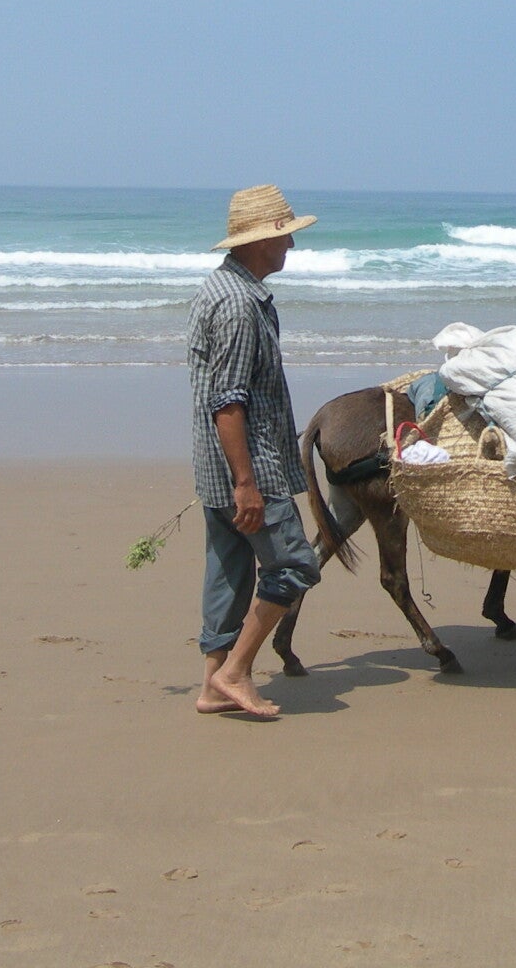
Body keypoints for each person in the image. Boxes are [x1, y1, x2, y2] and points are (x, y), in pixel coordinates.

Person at [187, 185, 323, 718]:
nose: (291, 244)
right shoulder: (241, 305)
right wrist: (246, 483)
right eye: (285, 235)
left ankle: (211, 686)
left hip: (215, 467)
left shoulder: (223, 288)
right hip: (251, 468)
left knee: (229, 570)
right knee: (295, 565)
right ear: (261, 241)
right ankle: (236, 671)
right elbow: (228, 401)